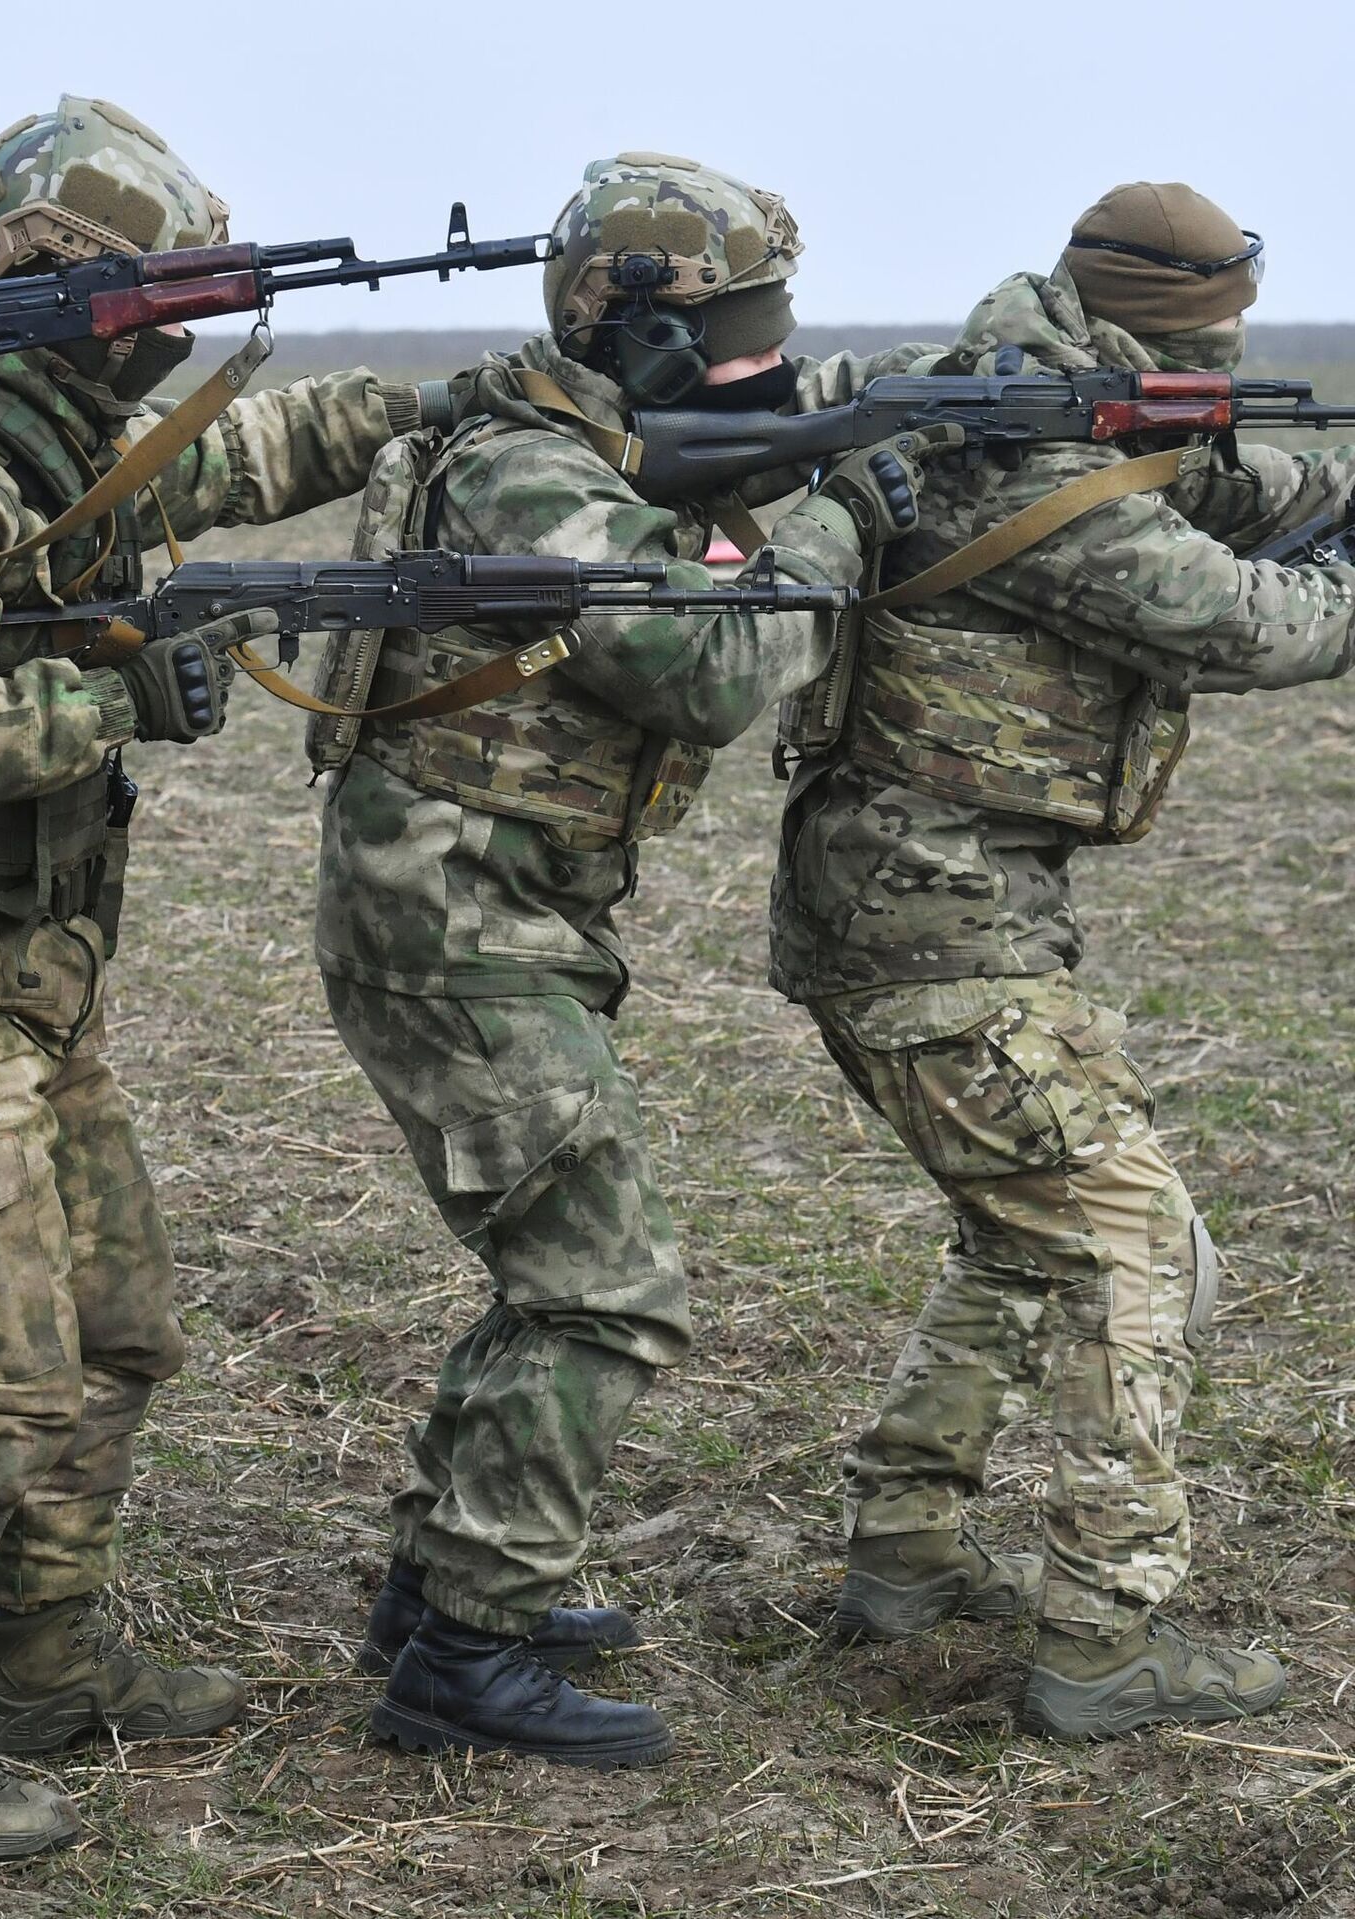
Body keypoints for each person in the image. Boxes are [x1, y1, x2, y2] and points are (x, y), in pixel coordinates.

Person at [0, 95, 443, 1859]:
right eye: (154, 313)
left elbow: (236, 459)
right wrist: (120, 692)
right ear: (52, 290)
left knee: (116, 1335)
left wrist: (431, 402)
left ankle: (42, 1662)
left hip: (32, 975)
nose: (169, 349)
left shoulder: (54, 441)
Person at [308, 152, 945, 1768]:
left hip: (498, 914)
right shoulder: (531, 473)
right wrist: (834, 515)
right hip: (456, 926)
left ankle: (441, 1588)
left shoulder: (588, 440)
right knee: (606, 1290)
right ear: (636, 328)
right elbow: (705, 670)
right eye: (741, 327)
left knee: (554, 1268)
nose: (766, 355)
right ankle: (466, 1661)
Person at [768, 182, 1355, 1738]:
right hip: (931, 928)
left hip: (932, 913)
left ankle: (904, 1549)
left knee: (1026, 1235)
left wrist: (1331, 488)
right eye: (1217, 336)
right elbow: (1250, 620)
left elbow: (1233, 485)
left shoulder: (1030, 397)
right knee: (1140, 1246)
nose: (1230, 356)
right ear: (1168, 327)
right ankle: (1103, 1640)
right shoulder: (1028, 463)